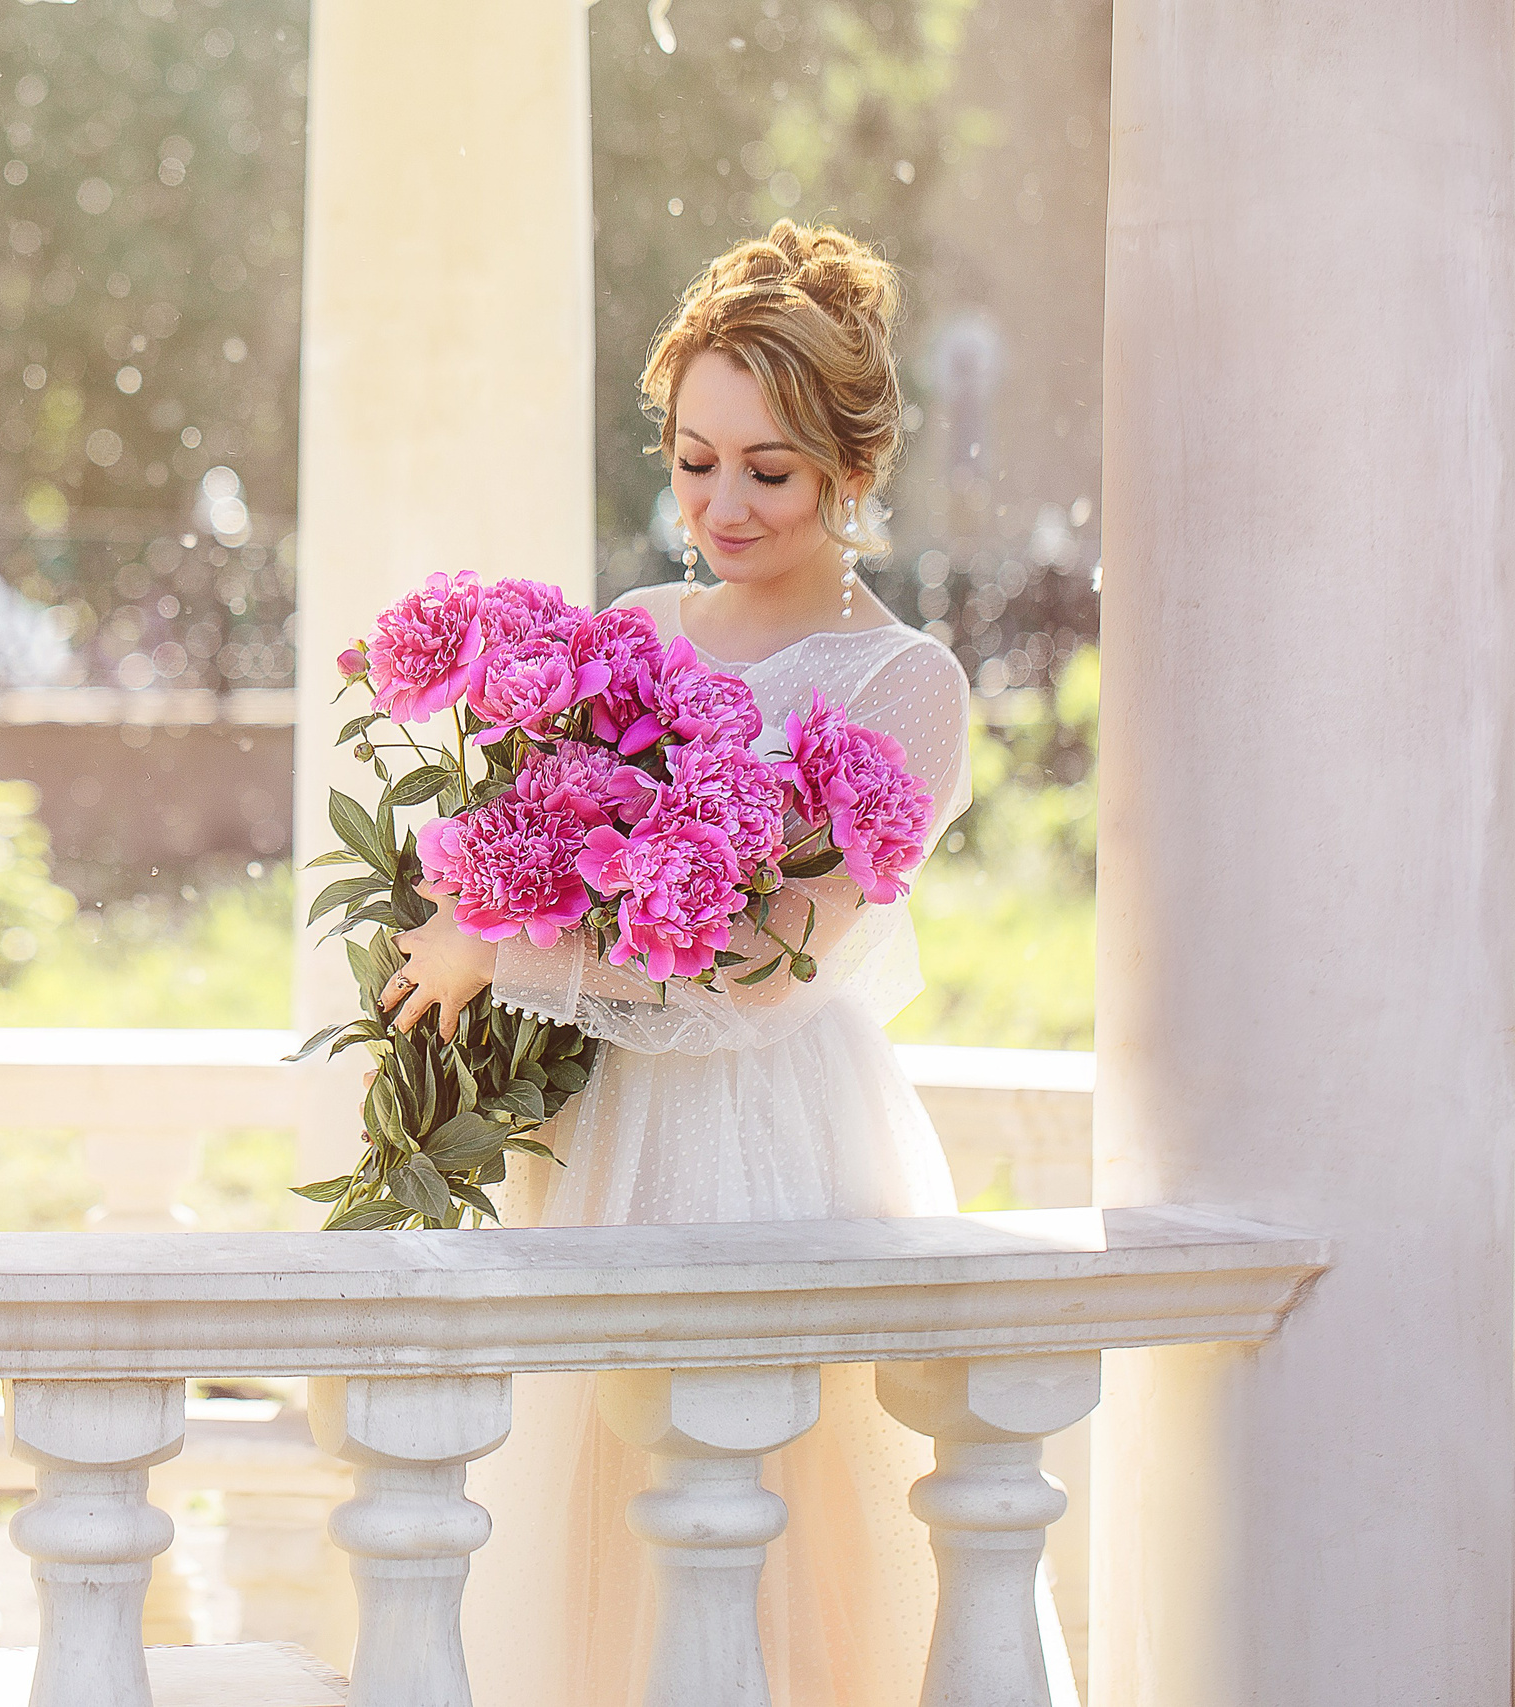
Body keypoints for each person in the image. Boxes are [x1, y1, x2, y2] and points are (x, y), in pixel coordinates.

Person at [377, 221, 1055, 1706]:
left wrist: (505, 947)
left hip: (780, 1139)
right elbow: (558, 858)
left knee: (776, 1543)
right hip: (610, 1123)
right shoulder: (626, 635)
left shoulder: (906, 687)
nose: (724, 502)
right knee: (597, 1528)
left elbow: (759, 976)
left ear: (852, 471)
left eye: (772, 468)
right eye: (697, 459)